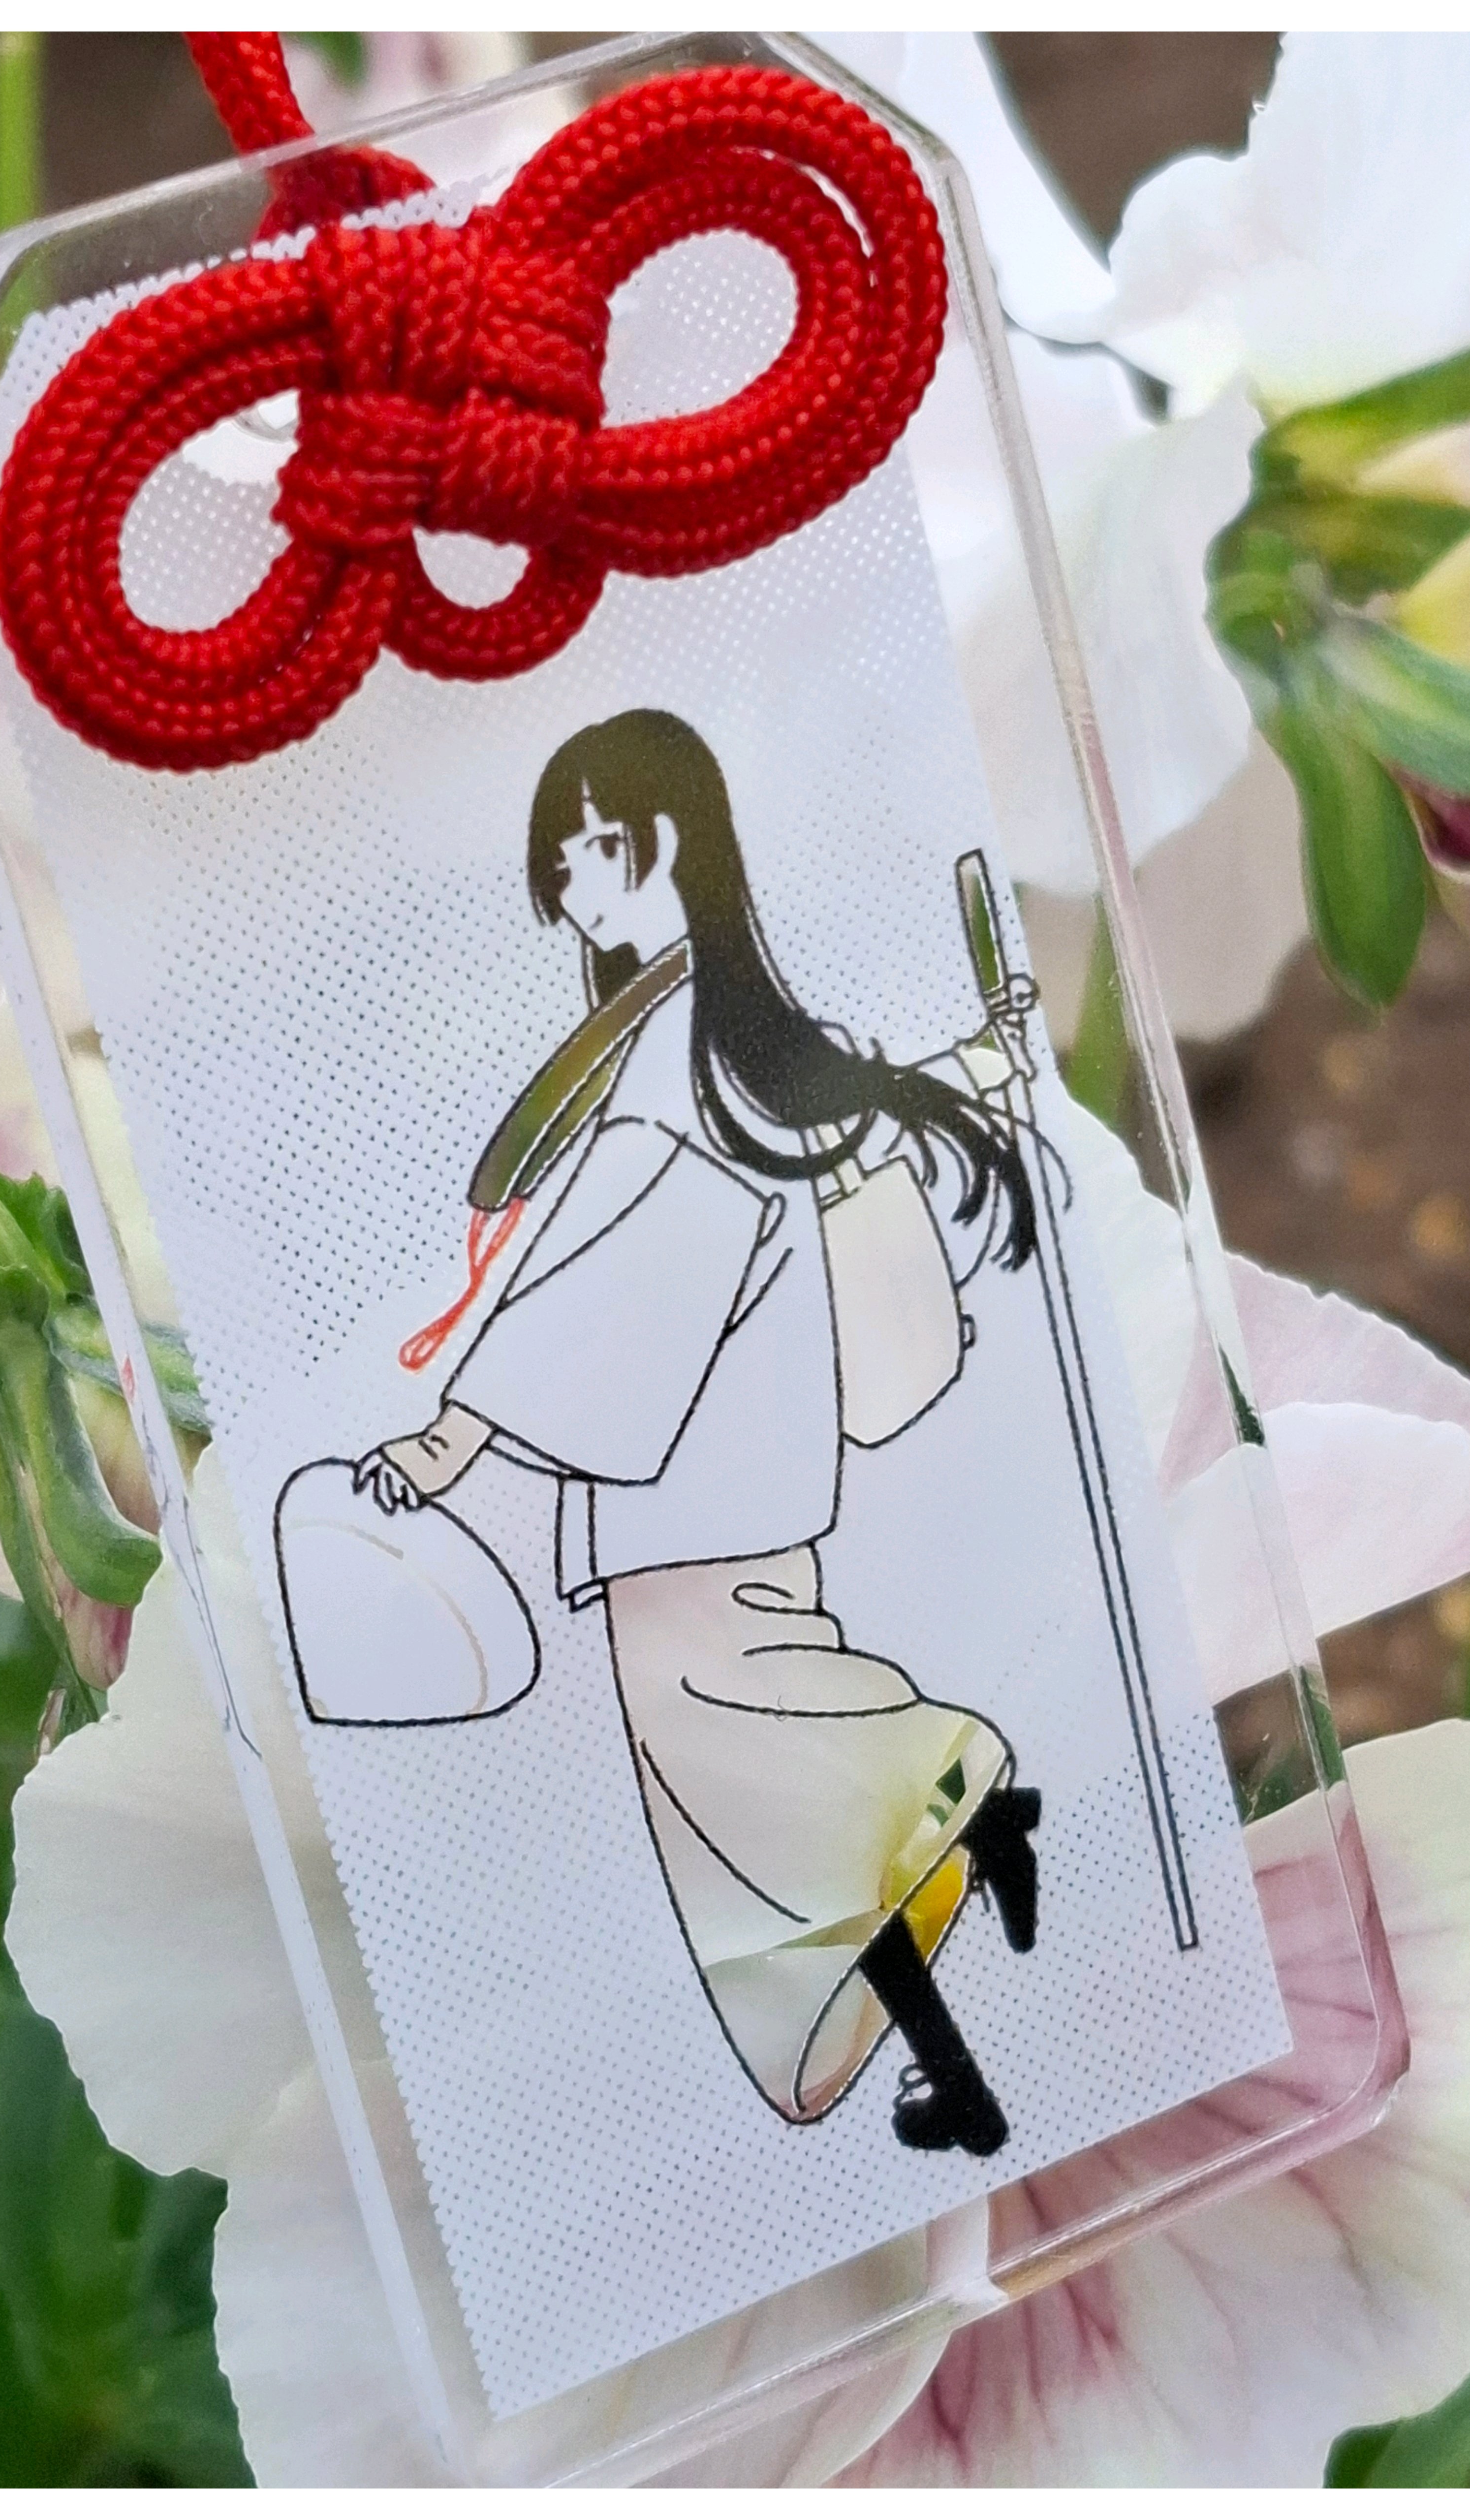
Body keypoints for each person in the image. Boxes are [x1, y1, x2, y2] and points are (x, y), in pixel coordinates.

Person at [363, 709, 1042, 2156]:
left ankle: (956, 1783)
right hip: (740, 1485)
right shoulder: (727, 1039)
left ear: (668, 841)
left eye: (589, 853)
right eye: (559, 869)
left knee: (766, 1793)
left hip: (687, 1502)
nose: (572, 894)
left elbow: (603, 1273)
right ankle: (949, 2056)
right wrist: (983, 1072)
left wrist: (458, 1439)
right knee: (792, 1849)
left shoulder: (673, 1065)